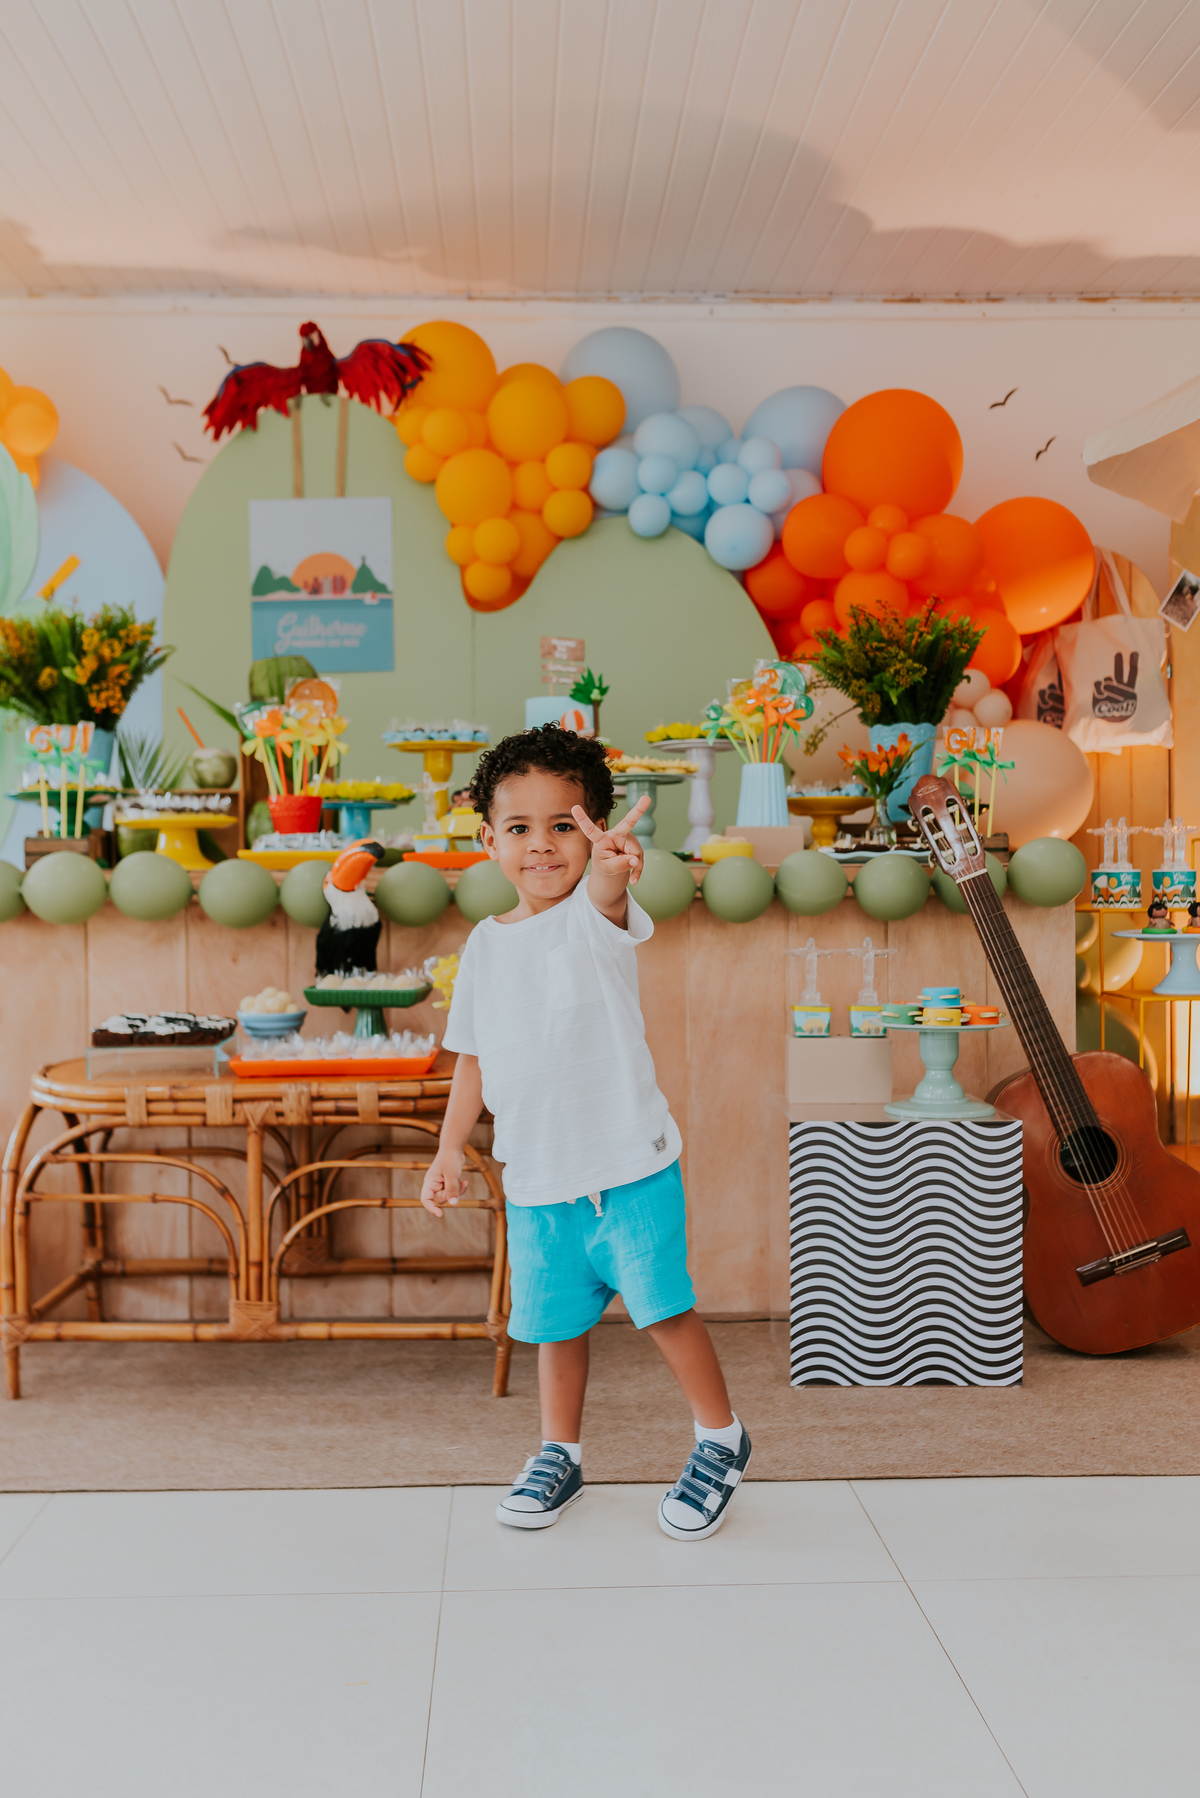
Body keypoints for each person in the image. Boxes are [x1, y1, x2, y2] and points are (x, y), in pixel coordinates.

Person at [420, 725, 749, 1539]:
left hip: (628, 1166)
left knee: (665, 1310)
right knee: (555, 1326)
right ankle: (558, 1453)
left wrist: (610, 875)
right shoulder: (485, 948)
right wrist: (449, 1146)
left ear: (596, 831)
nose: (542, 847)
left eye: (565, 825)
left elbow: (605, 894)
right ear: (487, 839)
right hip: (538, 1178)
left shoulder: (594, 921)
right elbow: (471, 1059)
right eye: (521, 829)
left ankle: (721, 1437)